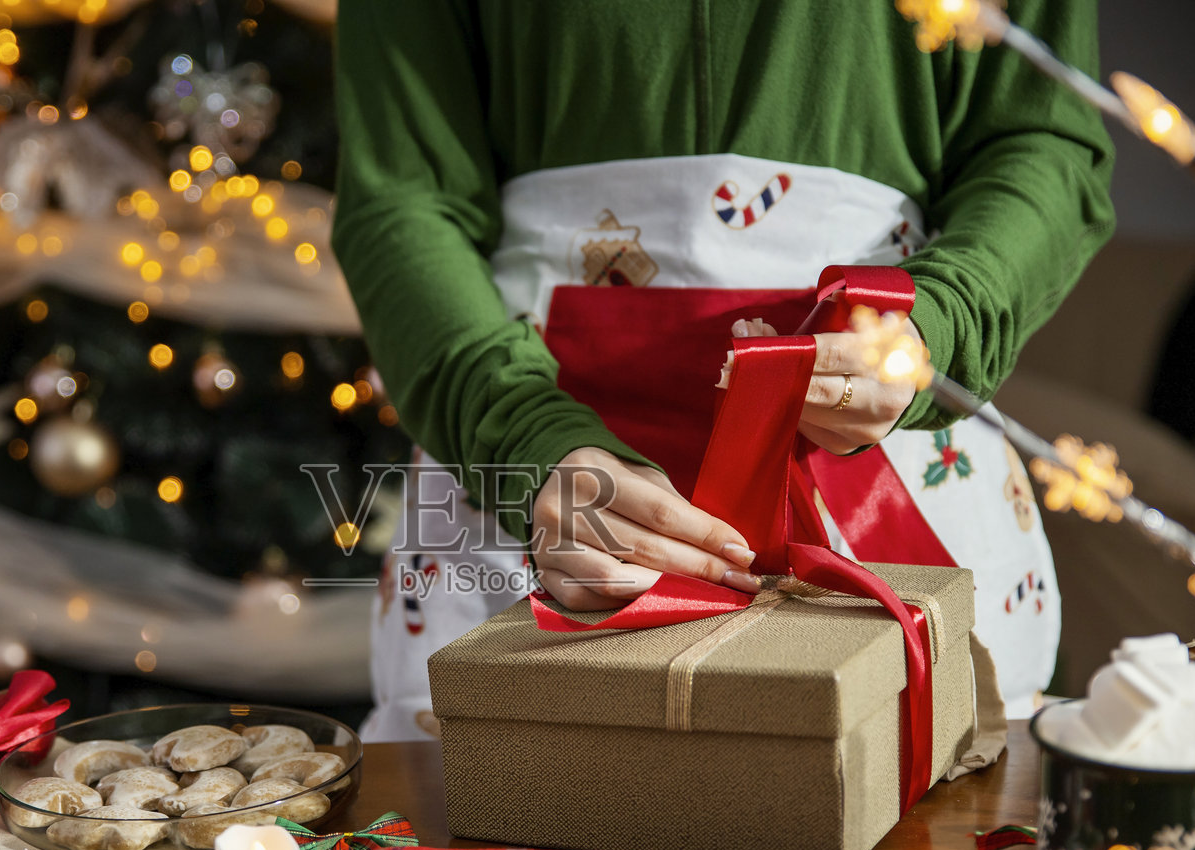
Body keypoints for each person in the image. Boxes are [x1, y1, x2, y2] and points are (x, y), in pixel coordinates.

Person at [332, 1, 1115, 741]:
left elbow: (1042, 138)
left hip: (894, 443)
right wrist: (524, 437)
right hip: (521, 473)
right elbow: (403, 197)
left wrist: (936, 325)